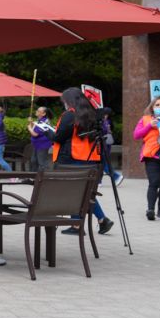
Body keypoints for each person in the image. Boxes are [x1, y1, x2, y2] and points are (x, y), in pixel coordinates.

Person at [50, 87, 114, 235]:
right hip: (91, 159)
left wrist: (47, 132)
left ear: (69, 101)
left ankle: (81, 224)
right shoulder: (92, 115)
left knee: (75, 192)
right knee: (85, 192)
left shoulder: (69, 115)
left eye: (64, 101)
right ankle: (99, 220)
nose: (64, 104)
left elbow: (58, 137)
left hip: (71, 158)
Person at [27, 106, 55, 174]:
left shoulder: (43, 122)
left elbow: (35, 134)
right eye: (37, 110)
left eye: (39, 111)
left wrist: (29, 128)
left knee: (41, 162)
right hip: (37, 144)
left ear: (43, 114)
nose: (37, 111)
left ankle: (42, 179)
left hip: (42, 145)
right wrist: (31, 123)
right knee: (34, 161)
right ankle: (33, 177)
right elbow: (34, 128)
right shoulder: (40, 121)